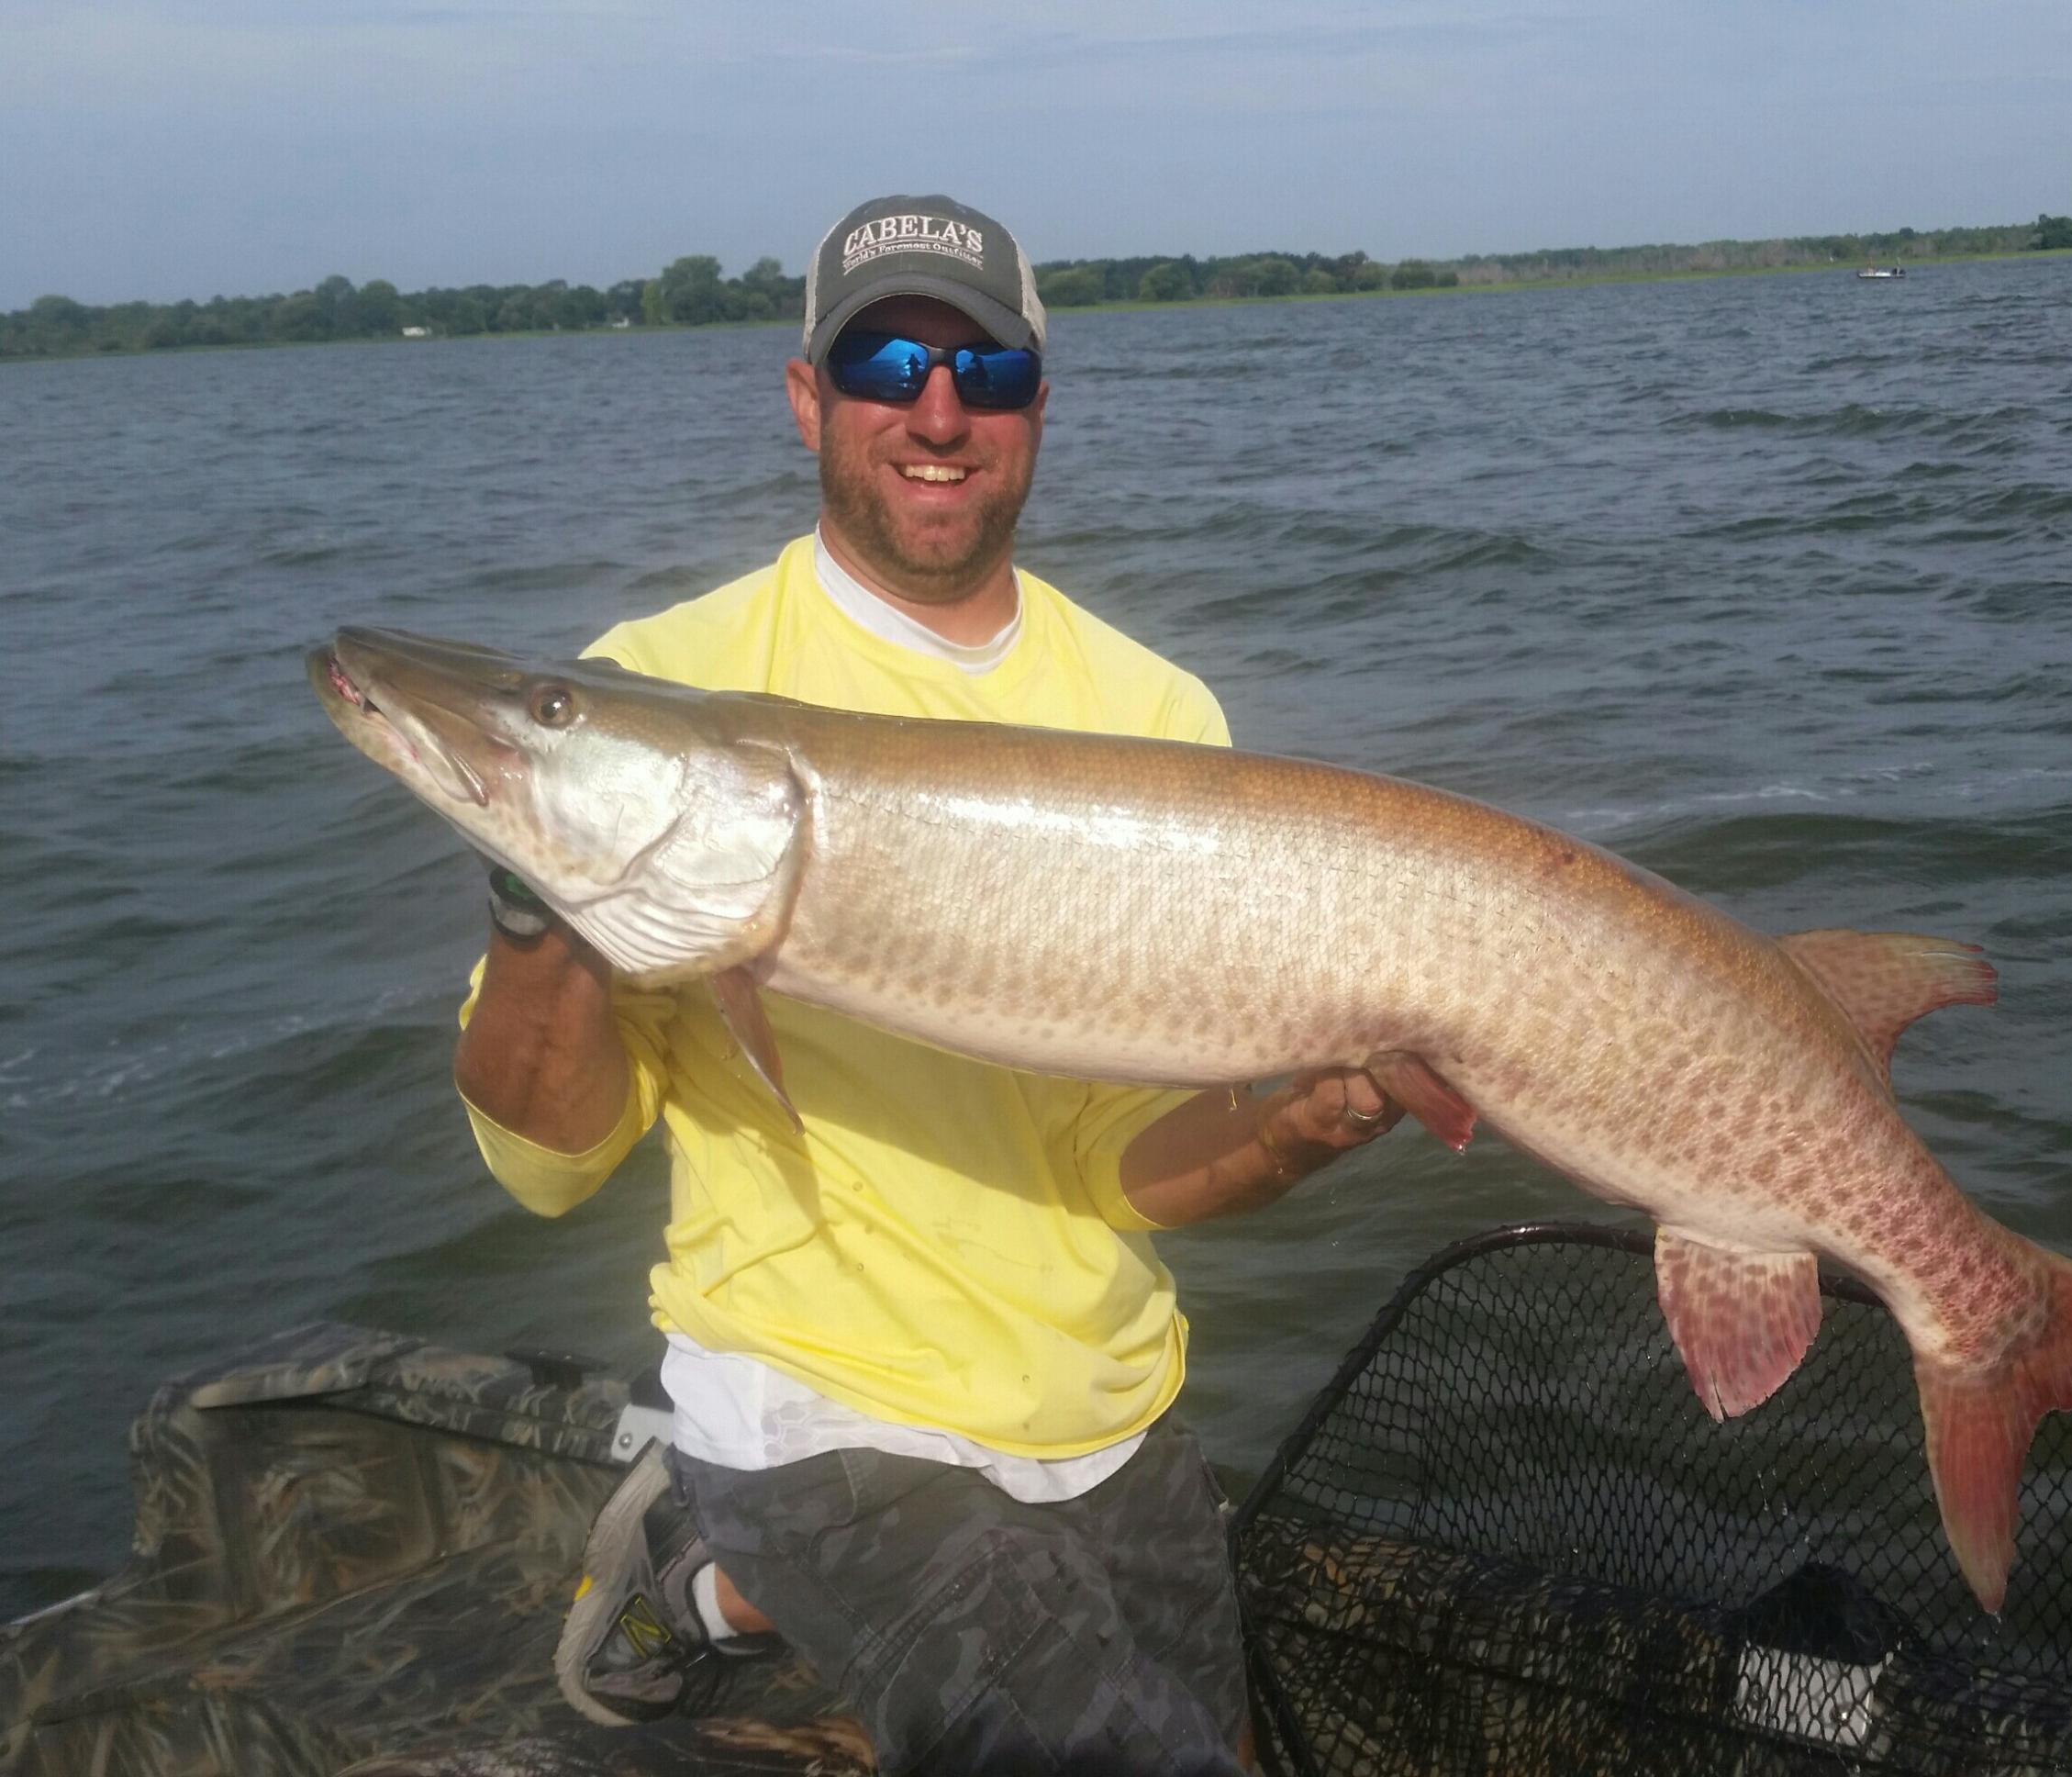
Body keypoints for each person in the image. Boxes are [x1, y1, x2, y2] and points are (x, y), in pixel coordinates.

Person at [454, 194, 1400, 1774]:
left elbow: (1126, 1169)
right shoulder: (655, 682)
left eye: (991, 370)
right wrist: (540, 896)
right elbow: (542, 1162)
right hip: (817, 1413)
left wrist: (1306, 1123)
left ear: (1040, 399)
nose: (939, 412)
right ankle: (743, 1545)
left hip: (1100, 1403)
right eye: (887, 361)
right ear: (808, 396)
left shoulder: (1152, 711)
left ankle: (720, 1595)